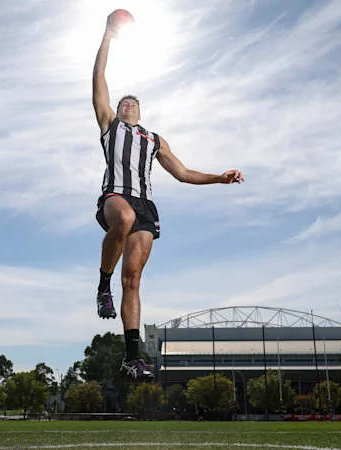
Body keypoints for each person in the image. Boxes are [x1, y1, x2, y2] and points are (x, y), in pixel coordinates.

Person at [92, 13, 244, 381]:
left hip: (146, 206)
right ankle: (101, 286)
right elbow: (98, 79)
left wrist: (219, 179)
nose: (127, 104)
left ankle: (131, 358)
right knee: (123, 219)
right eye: (123, 101)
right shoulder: (109, 125)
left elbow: (183, 173)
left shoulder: (154, 139)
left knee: (134, 279)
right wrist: (108, 37)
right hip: (116, 196)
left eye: (133, 102)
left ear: (141, 111)